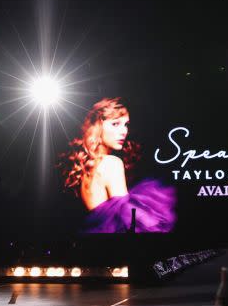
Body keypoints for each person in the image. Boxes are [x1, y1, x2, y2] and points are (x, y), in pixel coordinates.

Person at [60, 97, 175, 233]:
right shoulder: (112, 163)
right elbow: (128, 221)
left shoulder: (87, 166)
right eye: (115, 124)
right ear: (97, 126)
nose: (124, 131)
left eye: (126, 124)